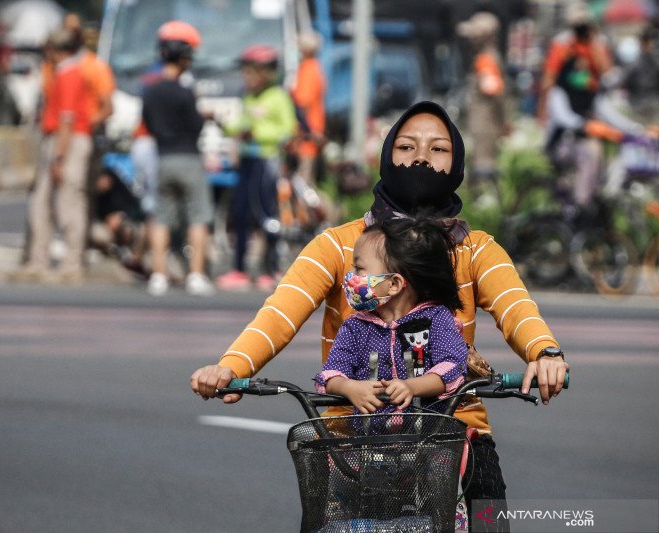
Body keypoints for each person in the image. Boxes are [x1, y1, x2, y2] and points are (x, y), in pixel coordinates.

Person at [191, 100, 569, 531]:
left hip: (457, 437)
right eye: (407, 146)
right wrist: (230, 368)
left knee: (491, 523)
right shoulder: (338, 246)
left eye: (438, 149)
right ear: (387, 156)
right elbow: (278, 314)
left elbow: (517, 306)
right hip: (352, 446)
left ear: (457, 162)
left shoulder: (476, 247)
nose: (422, 157)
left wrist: (545, 352)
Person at [315, 216, 467, 418]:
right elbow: (332, 373)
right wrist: (349, 388)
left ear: (394, 284)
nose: (351, 276)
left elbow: (452, 366)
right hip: (370, 442)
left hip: (429, 440)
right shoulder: (354, 326)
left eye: (359, 269)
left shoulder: (436, 319)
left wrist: (412, 387)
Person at [11, 28, 92, 283]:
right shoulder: (65, 72)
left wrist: (59, 157)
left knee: (68, 205)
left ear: (56, 51)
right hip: (58, 140)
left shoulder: (70, 74)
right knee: (41, 204)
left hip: (66, 142)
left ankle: (72, 264)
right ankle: (38, 261)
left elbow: (67, 119)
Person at [216, 45, 298, 293]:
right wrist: (226, 126)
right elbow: (241, 123)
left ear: (266, 73)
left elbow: (288, 130)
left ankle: (269, 269)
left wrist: (259, 133)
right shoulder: (248, 96)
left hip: (267, 161)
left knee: (266, 214)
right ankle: (239, 269)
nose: (246, 77)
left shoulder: (279, 97)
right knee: (240, 213)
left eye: (251, 72)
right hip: (247, 161)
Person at [142, 21, 215, 297]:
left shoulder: (151, 91)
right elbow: (196, 126)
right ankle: (195, 274)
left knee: (161, 217)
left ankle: (158, 275)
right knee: (197, 216)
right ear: (182, 60)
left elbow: (147, 123)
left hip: (163, 157)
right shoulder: (186, 92)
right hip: (188, 157)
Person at [457, 11, 507, 195]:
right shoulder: (487, 58)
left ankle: (484, 216)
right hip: (485, 125)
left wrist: (503, 123)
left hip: (485, 126)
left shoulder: (486, 61)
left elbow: (493, 91)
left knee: (482, 174)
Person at [291, 31, 327, 187]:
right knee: (307, 182)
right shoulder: (314, 67)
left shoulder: (308, 69)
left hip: (308, 133)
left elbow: (302, 103)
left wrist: (301, 132)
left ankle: (328, 211)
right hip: (312, 130)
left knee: (303, 183)